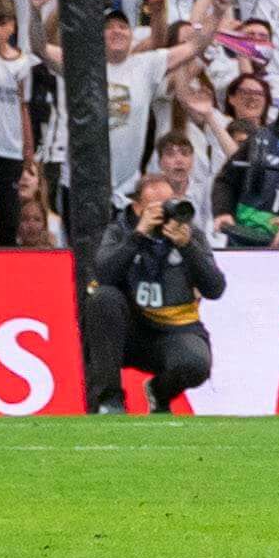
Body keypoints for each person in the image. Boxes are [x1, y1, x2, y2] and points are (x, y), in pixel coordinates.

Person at [95, 168, 228, 412]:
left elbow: (215, 288)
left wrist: (187, 247)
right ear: (137, 208)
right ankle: (109, 400)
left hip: (173, 331)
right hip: (129, 332)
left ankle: (159, 391)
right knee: (103, 298)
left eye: (169, 205)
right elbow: (104, 275)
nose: (166, 213)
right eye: (157, 207)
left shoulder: (189, 234)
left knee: (196, 363)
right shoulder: (119, 230)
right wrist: (138, 236)